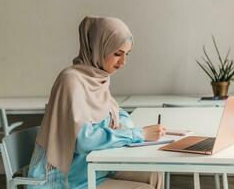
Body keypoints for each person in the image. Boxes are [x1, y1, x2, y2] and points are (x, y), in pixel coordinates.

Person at [28, 16, 166, 189]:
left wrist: (126, 127)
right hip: (72, 178)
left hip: (96, 167)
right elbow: (84, 139)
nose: (123, 62)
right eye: (117, 54)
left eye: (126, 54)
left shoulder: (97, 78)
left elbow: (116, 112)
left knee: (154, 173)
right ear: (98, 48)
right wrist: (137, 134)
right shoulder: (71, 80)